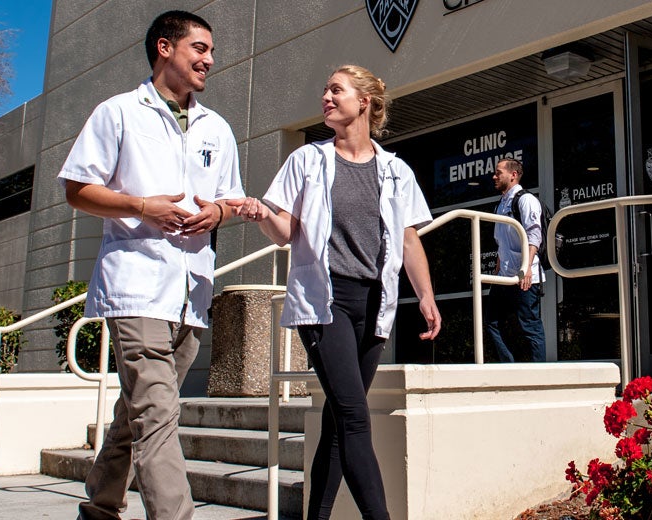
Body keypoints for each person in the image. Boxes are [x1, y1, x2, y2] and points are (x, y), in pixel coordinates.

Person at [58, 11, 250, 520]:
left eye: (211, 51)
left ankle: (99, 508)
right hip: (137, 282)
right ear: (165, 48)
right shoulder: (119, 113)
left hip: (192, 290)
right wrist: (142, 206)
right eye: (200, 48)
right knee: (159, 413)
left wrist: (218, 212)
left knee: (138, 413)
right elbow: (77, 189)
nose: (210, 59)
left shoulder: (218, 128)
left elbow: (231, 199)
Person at [230, 65, 441, 520]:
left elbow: (408, 238)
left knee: (339, 422)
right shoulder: (307, 161)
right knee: (354, 416)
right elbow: (287, 231)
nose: (325, 96)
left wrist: (425, 295)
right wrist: (261, 213)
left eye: (336, 90)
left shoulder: (395, 170)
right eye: (325, 89)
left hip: (374, 302)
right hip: (325, 304)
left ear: (363, 102)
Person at [485, 158, 547, 362]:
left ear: (513, 175)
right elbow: (501, 242)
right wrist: (496, 269)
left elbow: (534, 235)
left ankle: (539, 375)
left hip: (524, 276)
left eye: (498, 172)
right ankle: (509, 367)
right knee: (492, 322)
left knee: (529, 326)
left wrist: (526, 268)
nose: (494, 176)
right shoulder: (501, 204)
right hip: (504, 277)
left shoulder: (525, 200)